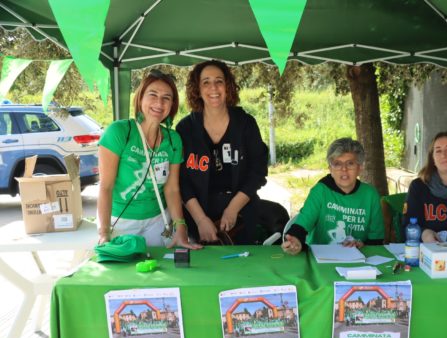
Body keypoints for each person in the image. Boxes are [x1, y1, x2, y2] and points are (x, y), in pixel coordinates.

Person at [97, 69, 199, 249]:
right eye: (153, 95)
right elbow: (106, 187)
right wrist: (104, 233)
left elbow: (172, 189)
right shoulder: (119, 132)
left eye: (166, 98)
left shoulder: (173, 140)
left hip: (159, 220)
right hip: (122, 221)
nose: (159, 103)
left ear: (172, 105)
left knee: (166, 264)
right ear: (140, 98)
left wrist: (180, 227)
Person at [176, 60, 268, 244]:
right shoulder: (185, 128)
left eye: (219, 81)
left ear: (228, 86)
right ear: (197, 89)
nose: (213, 88)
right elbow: (182, 181)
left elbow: (257, 172)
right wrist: (201, 220)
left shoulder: (246, 124)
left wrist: (233, 209)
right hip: (198, 220)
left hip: (242, 215)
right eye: (206, 82)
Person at [282, 138, 384, 255]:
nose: (344, 169)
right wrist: (295, 241)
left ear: (360, 168)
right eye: (337, 164)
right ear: (330, 169)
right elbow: (302, 224)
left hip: (359, 259)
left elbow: (376, 241)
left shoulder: (370, 195)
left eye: (350, 163)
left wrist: (362, 245)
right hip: (321, 258)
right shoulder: (320, 191)